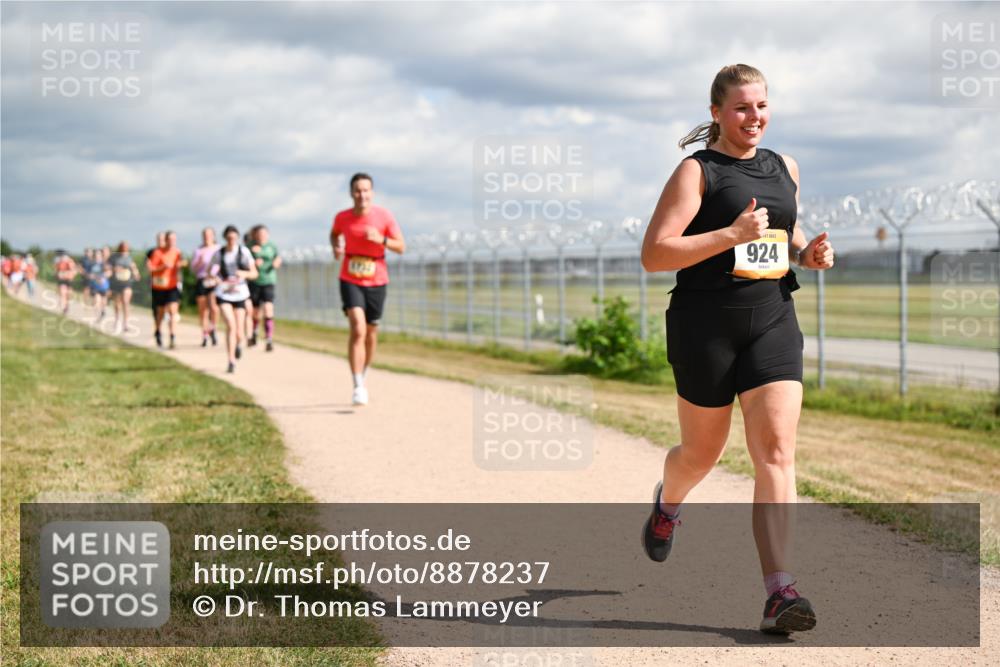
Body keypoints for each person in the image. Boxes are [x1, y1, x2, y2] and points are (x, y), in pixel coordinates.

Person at [639, 64, 834, 635]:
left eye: (763, 106)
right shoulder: (696, 172)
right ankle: (669, 503)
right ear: (717, 113)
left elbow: (783, 235)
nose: (755, 117)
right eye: (743, 108)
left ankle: (780, 591)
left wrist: (808, 253)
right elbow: (655, 254)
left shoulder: (785, 167)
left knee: (775, 450)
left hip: (772, 318)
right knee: (700, 455)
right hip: (705, 327)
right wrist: (729, 235)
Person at [330, 172, 406, 405]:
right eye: (357, 190)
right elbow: (334, 234)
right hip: (350, 276)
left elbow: (401, 247)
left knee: (371, 334)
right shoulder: (342, 217)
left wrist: (381, 240)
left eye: (366, 190)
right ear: (351, 193)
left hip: (377, 278)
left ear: (371, 193)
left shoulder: (384, 216)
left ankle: (363, 372)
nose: (362, 195)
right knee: (358, 327)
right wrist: (336, 248)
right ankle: (357, 384)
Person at [209, 225, 258, 373]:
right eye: (229, 238)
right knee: (230, 325)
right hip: (224, 294)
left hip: (240, 294)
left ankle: (239, 344)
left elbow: (254, 273)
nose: (231, 240)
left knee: (239, 330)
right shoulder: (220, 253)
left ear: (237, 238)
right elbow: (211, 270)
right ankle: (231, 361)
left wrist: (244, 274)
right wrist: (215, 278)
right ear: (225, 238)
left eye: (234, 238)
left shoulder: (244, 252)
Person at [147, 230, 187, 349]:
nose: (172, 242)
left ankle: (172, 336)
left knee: (172, 311)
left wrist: (180, 264)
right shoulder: (157, 252)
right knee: (160, 312)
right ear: (166, 240)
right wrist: (162, 267)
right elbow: (151, 269)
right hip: (159, 286)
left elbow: (184, 262)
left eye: (174, 239)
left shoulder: (177, 252)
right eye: (170, 239)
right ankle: (158, 331)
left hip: (172, 286)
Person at [249, 224, 282, 352]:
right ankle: (255, 332)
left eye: (264, 234)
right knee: (255, 311)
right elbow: (244, 261)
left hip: (269, 281)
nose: (262, 236)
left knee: (269, 309)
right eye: (260, 234)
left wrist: (276, 263)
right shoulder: (250, 246)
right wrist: (253, 263)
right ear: (255, 235)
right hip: (255, 281)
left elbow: (278, 257)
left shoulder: (272, 246)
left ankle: (269, 339)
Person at [190, 227, 221, 347]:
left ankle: (213, 328)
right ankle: (204, 334)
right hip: (202, 280)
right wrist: (200, 262)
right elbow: (193, 269)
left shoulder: (218, 249)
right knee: (203, 310)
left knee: (214, 307)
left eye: (209, 235)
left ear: (213, 236)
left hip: (214, 280)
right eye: (205, 235)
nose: (207, 237)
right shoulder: (198, 250)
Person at [109, 242, 141, 335]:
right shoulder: (114, 257)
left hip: (127, 282)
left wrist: (136, 273)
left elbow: (133, 266)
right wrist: (115, 269)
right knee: (117, 303)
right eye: (123, 248)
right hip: (117, 283)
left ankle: (126, 323)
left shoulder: (129, 257)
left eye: (126, 248)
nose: (125, 249)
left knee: (126, 302)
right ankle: (117, 320)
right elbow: (109, 267)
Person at [146, 232, 167, 335]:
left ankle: (163, 323)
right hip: (156, 283)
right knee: (157, 308)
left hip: (169, 284)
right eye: (159, 239)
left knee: (169, 306)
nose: (161, 241)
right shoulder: (151, 252)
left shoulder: (170, 251)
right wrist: (161, 268)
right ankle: (158, 328)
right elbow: (149, 267)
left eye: (163, 239)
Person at [87, 246, 111, 322]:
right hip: (95, 285)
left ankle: (103, 312)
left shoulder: (104, 264)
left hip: (103, 286)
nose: (97, 256)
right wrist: (91, 276)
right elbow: (88, 274)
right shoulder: (91, 264)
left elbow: (109, 272)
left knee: (103, 301)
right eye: (96, 254)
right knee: (96, 301)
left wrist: (103, 277)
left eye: (99, 254)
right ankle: (97, 317)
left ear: (101, 255)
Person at [53, 250, 78, 314]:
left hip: (69, 280)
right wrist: (57, 274)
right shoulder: (58, 262)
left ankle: (66, 306)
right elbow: (56, 271)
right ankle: (63, 307)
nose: (62, 257)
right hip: (62, 280)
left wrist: (65, 273)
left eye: (63, 256)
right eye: (61, 256)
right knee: (62, 293)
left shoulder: (70, 261)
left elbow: (74, 271)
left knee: (68, 294)